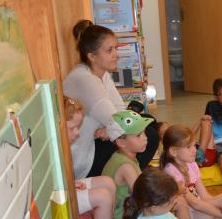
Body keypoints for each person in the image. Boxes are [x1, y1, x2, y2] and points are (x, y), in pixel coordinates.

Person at [63, 19, 165, 179]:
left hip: (94, 142)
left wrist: (109, 130)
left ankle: (133, 173)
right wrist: (112, 131)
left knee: (148, 121)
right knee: (149, 136)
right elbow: (121, 122)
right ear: (92, 56)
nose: (116, 55)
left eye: (115, 48)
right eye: (109, 50)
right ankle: (129, 179)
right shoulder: (85, 80)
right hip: (84, 162)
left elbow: (121, 112)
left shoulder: (100, 73)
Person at [65, 96, 126, 219]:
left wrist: (70, 184)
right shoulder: (53, 145)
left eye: (78, 127)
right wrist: (68, 186)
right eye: (72, 128)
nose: (77, 133)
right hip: (59, 199)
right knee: (103, 196)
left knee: (108, 182)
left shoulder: (62, 144)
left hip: (66, 188)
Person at [102, 110, 152, 219]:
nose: (145, 138)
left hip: (127, 212)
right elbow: (142, 196)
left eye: (144, 133)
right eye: (138, 135)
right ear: (121, 142)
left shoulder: (125, 157)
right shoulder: (126, 166)